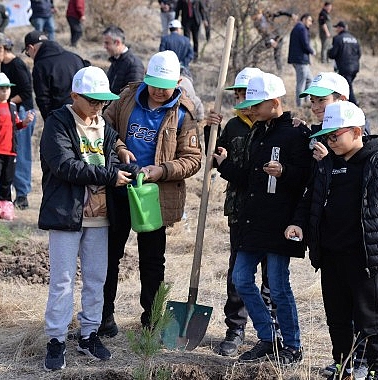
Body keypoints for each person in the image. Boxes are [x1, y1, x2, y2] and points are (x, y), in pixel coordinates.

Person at [286, 101, 378, 380]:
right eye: (327, 136)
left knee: (368, 315)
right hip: (330, 253)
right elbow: (310, 197)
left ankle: (376, 368)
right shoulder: (327, 164)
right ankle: (343, 364)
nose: (330, 141)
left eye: (335, 135)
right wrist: (297, 223)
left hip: (363, 256)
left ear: (357, 131)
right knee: (336, 316)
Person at [39, 66, 136, 371]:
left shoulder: (105, 129)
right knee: (62, 281)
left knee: (96, 279)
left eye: (102, 101)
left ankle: (89, 334)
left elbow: (111, 156)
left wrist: (126, 166)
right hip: (67, 214)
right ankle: (55, 340)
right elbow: (64, 166)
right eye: (92, 101)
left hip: (101, 217)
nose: (98, 107)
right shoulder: (58, 124)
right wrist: (110, 174)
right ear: (75, 95)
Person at [100, 50, 202, 334]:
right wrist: (119, 147)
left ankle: (152, 319)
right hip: (119, 184)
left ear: (177, 83)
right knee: (109, 255)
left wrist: (162, 171)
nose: (157, 91)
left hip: (154, 195)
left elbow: (193, 158)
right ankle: (104, 316)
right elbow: (104, 128)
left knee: (153, 259)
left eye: (164, 85)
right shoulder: (126, 97)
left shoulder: (184, 112)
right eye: (153, 83)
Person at [213, 72, 311, 365]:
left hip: (280, 223)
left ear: (275, 102)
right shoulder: (259, 132)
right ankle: (268, 339)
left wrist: (285, 173)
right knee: (241, 278)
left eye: (256, 104)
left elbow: (307, 180)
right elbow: (250, 178)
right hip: (252, 221)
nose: (250, 109)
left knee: (279, 286)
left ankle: (291, 346)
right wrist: (224, 165)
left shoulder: (296, 134)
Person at [203, 67, 280, 357]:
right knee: (239, 272)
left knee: (271, 275)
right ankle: (235, 328)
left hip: (270, 212)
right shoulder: (233, 127)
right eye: (237, 95)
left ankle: (271, 329)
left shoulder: (274, 128)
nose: (241, 100)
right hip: (239, 210)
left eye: (246, 95)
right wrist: (210, 131)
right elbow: (213, 158)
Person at [0, 32, 37, 209]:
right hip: (8, 112)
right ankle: (2, 195)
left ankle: (22, 195)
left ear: (0, 47)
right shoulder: (4, 65)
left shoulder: (17, 65)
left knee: (18, 153)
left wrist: (5, 105)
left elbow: (26, 93)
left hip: (20, 112)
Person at [0, 73, 35, 203]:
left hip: (10, 150)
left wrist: (25, 122)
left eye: (8, 88)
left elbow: (16, 125)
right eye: (1, 88)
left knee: (7, 179)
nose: (5, 91)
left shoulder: (13, 107)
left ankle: (5, 204)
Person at [23, 30, 89, 121]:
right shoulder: (74, 57)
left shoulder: (41, 66)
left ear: (31, 47)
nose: (29, 56)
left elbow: (43, 99)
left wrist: (49, 122)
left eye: (27, 53)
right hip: (85, 114)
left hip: (61, 119)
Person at [102, 26, 145, 95]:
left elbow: (132, 94)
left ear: (117, 42)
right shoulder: (115, 60)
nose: (104, 46)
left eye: (107, 43)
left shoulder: (134, 64)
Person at [251, 9, 295, 74]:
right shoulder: (256, 23)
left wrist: (290, 15)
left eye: (258, 14)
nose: (257, 17)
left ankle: (280, 72)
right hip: (268, 40)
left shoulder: (268, 15)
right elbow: (264, 34)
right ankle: (254, 69)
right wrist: (271, 41)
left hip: (278, 38)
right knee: (256, 51)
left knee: (277, 55)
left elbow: (279, 13)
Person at [328, 21, 361, 105]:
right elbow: (359, 53)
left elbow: (333, 54)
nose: (336, 30)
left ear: (341, 28)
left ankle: (354, 105)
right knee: (346, 86)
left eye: (337, 28)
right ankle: (344, 104)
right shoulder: (354, 39)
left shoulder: (338, 38)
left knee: (347, 87)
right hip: (355, 68)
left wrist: (328, 52)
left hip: (345, 68)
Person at [288, 14, 315, 107]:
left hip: (300, 60)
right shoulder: (302, 29)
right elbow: (305, 44)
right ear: (304, 19)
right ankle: (300, 105)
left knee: (309, 80)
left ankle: (307, 101)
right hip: (300, 60)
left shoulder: (297, 27)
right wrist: (312, 51)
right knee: (301, 82)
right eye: (309, 20)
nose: (310, 23)